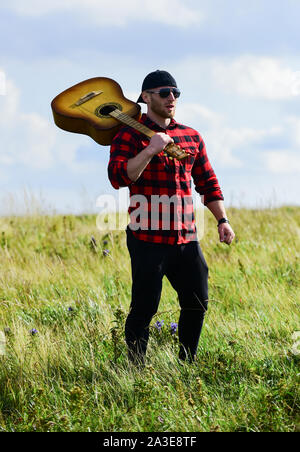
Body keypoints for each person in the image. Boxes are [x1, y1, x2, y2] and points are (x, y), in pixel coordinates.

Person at [108, 70, 235, 366]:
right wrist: (151, 149)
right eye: (164, 92)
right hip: (147, 237)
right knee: (144, 307)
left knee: (197, 301)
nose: (171, 98)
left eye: (176, 93)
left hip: (186, 237)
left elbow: (207, 182)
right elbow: (119, 177)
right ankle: (136, 371)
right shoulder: (127, 134)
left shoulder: (191, 136)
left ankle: (185, 364)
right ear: (146, 97)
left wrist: (222, 220)